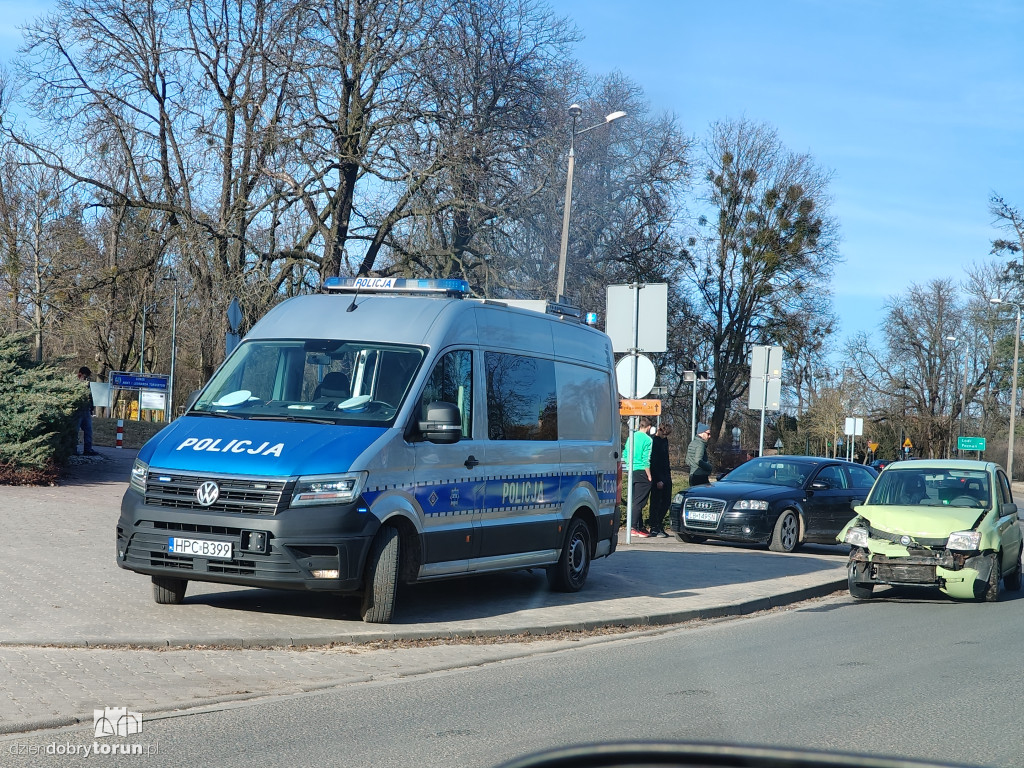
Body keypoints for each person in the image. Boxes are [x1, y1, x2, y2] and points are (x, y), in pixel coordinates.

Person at [623, 416, 653, 537]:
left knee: (634, 499)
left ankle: (639, 526)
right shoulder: (648, 440)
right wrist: (649, 475)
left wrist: (629, 463)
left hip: (631, 471)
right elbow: (646, 459)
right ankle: (634, 527)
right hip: (641, 471)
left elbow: (625, 452)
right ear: (649, 427)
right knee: (639, 502)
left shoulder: (631, 436)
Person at [647, 423, 673, 537]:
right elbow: (654, 462)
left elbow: (665, 460)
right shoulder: (654, 442)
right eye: (664, 433)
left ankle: (659, 524)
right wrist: (658, 479)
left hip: (666, 475)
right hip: (658, 476)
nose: (665, 436)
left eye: (666, 434)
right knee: (656, 502)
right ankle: (654, 526)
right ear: (659, 430)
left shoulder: (665, 441)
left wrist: (667, 477)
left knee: (666, 501)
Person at [76, 366, 99, 456]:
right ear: (80, 375)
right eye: (85, 377)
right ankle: (73, 449)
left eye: (87, 377)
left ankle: (88, 449)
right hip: (78, 411)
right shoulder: (75, 384)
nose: (86, 379)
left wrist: (91, 406)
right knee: (75, 431)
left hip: (86, 410)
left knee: (88, 430)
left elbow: (90, 396)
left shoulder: (87, 384)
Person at [686, 422, 713, 487]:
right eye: (708, 434)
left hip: (692, 475)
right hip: (700, 477)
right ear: (701, 433)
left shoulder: (692, 443)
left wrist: (693, 467)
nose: (709, 436)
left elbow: (687, 460)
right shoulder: (700, 445)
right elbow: (698, 460)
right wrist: (709, 467)